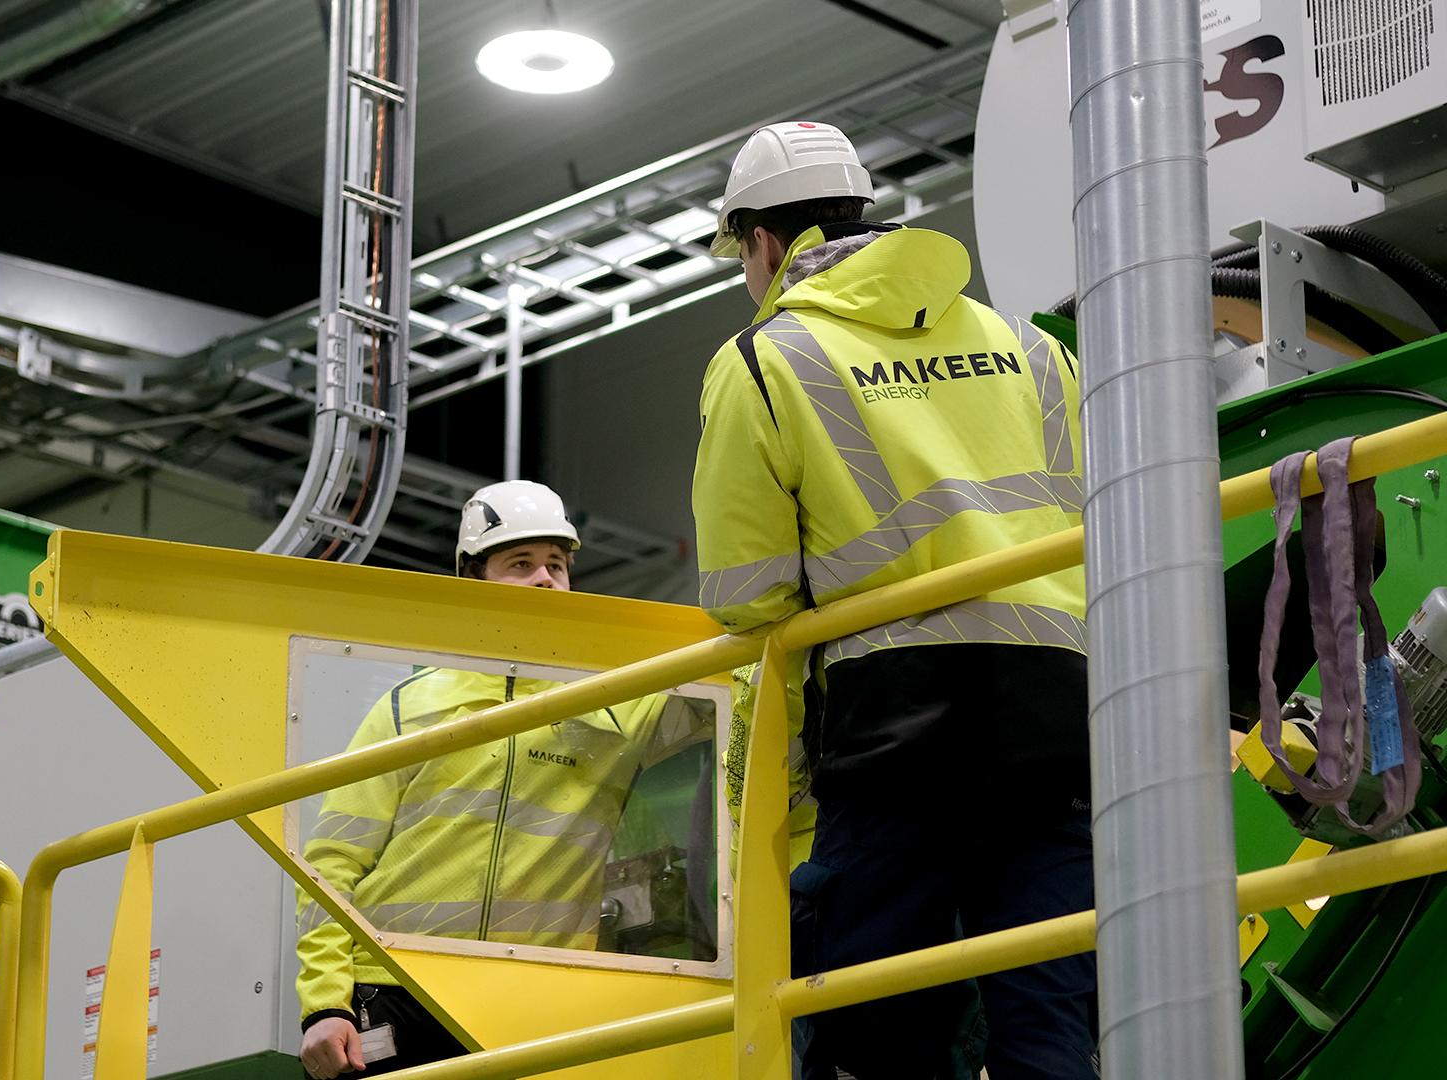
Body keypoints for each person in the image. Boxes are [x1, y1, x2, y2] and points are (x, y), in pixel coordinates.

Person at [692, 122, 1095, 1079]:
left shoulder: (762, 360)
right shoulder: (1030, 345)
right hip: (1056, 713)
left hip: (895, 724)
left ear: (759, 241)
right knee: (1047, 1014)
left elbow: (746, 596)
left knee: (881, 1027)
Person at [295, 480, 711, 1079]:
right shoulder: (408, 706)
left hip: (536, 999)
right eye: (521, 564)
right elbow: (329, 866)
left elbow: (730, 685)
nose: (545, 579)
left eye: (557, 565)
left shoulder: (617, 706)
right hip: (396, 985)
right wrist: (326, 1007)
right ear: (474, 580)